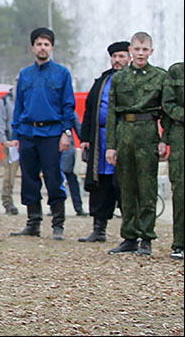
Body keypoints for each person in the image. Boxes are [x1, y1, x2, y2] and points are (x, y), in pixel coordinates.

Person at [9, 27, 75, 241]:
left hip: (52, 133)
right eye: (39, 44)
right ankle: (33, 222)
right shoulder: (25, 75)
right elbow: (18, 106)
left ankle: (58, 224)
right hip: (28, 132)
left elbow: (68, 106)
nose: (43, 47)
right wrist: (16, 134)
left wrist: (66, 133)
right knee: (28, 179)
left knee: (53, 177)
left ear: (52, 47)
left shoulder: (62, 73)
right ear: (32, 47)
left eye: (46, 44)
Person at [106, 32, 168, 256]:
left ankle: (146, 238)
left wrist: (164, 140)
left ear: (151, 51)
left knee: (147, 187)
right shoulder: (119, 78)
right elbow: (112, 112)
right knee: (127, 187)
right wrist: (111, 146)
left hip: (148, 133)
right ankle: (129, 236)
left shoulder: (160, 77)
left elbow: (167, 112)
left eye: (145, 49)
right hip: (125, 133)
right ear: (130, 50)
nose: (141, 54)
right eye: (137, 49)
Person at [77, 41, 130, 243]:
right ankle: (99, 229)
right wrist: (85, 138)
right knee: (101, 184)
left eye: (122, 56)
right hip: (100, 140)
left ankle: (130, 233)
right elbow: (89, 110)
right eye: (115, 56)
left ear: (129, 57)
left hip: (125, 138)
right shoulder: (102, 81)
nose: (118, 60)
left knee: (124, 184)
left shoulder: (133, 80)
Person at [162, 61, 184, 260]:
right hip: (180, 135)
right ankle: (180, 243)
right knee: (180, 190)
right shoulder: (176, 71)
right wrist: (165, 140)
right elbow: (168, 104)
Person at [0, 77, 19, 215]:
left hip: (28, 141)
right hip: (11, 143)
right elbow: (1, 122)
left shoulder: (30, 98)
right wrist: (4, 140)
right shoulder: (5, 101)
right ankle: (7, 201)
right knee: (10, 175)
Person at [59, 112, 87, 216]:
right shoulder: (70, 112)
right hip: (66, 149)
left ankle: (57, 207)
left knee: (65, 179)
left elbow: (78, 129)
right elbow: (78, 129)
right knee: (70, 179)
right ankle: (78, 207)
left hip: (64, 150)